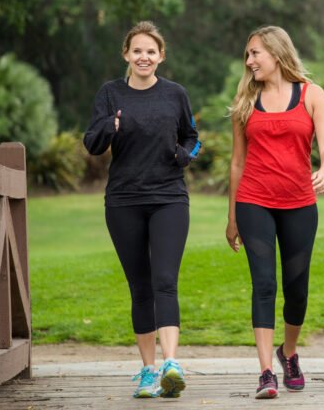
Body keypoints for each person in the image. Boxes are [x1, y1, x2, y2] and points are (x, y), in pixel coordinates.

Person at [83, 20, 201, 399]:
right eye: (137, 51)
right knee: (140, 287)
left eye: (151, 51)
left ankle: (171, 364)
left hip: (169, 198)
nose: (144, 57)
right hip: (123, 201)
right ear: (126, 55)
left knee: (165, 280)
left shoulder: (175, 94)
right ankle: (148, 372)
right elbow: (92, 143)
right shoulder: (110, 94)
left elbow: (192, 137)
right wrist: (110, 127)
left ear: (161, 56)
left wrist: (183, 155)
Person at [225, 25, 324, 399]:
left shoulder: (311, 94)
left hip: (299, 203)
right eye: (248, 55)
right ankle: (266, 373)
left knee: (296, 289)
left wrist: (323, 170)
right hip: (254, 200)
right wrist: (232, 217)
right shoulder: (245, 98)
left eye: (255, 53)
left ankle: (288, 353)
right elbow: (237, 163)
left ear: (276, 53)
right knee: (264, 284)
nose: (250, 60)